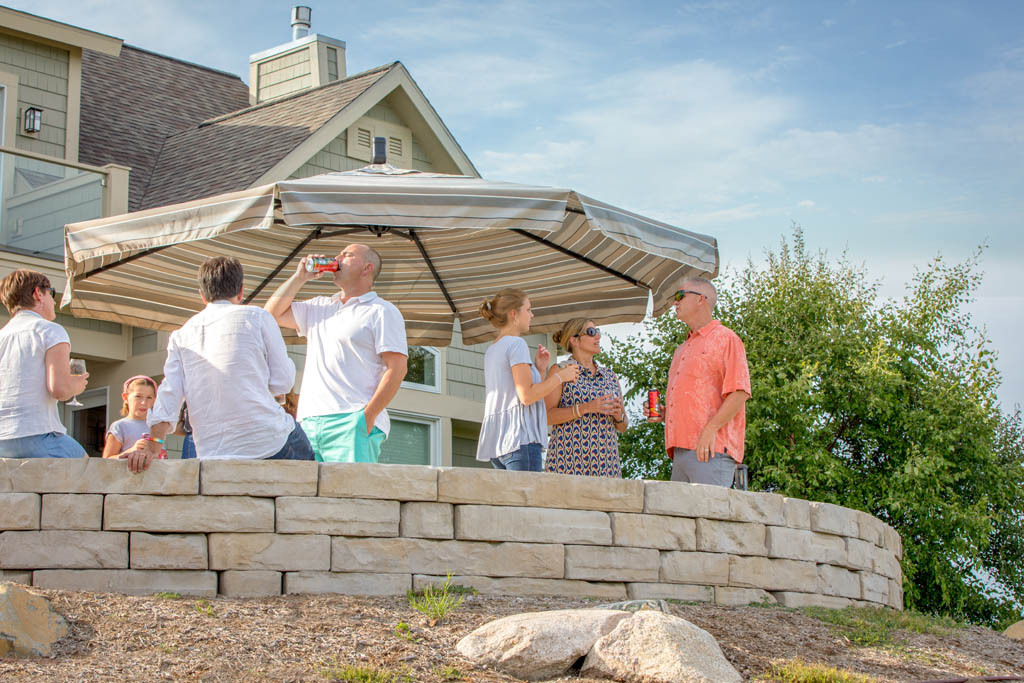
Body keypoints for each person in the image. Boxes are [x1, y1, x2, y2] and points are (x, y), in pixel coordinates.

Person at [121, 256, 313, 473]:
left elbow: (170, 395)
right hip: (268, 442)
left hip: (211, 451)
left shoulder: (181, 335)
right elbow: (283, 383)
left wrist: (153, 445)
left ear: (202, 296)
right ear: (241, 291)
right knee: (315, 475)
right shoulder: (257, 317)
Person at [265, 244, 408, 463]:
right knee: (308, 496)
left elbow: (397, 368)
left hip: (352, 420)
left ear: (366, 269)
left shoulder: (382, 311)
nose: (338, 257)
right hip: (309, 422)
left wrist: (366, 418)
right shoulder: (320, 306)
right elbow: (270, 315)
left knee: (351, 495)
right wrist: (299, 277)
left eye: (347, 255)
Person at [644, 277, 751, 487]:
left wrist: (710, 430)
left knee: (709, 517)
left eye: (680, 296)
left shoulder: (726, 339)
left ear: (701, 299)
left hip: (711, 450)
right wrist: (664, 414)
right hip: (680, 453)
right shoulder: (681, 349)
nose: (675, 302)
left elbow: (739, 392)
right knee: (679, 519)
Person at [474, 289, 579, 471]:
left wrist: (538, 370)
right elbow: (527, 396)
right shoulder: (517, 344)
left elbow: (514, 391)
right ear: (513, 314)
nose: (532, 315)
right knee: (529, 500)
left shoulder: (493, 349)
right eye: (528, 309)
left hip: (499, 443)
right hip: (520, 442)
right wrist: (561, 376)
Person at [0, 269, 88, 459]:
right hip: (37, 435)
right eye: (52, 293)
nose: (54, 301)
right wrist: (77, 385)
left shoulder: (1, 336)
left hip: (2, 440)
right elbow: (60, 390)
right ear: (38, 293)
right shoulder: (50, 331)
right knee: (90, 470)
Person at [543, 318, 626, 477]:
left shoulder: (610, 376)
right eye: (591, 332)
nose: (598, 337)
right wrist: (587, 407)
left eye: (598, 332)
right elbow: (546, 416)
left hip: (606, 466)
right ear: (574, 340)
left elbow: (623, 426)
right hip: (568, 464)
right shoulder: (560, 370)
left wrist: (619, 417)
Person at [101, 375, 165, 459]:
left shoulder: (158, 426)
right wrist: (130, 451)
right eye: (138, 396)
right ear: (126, 397)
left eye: (149, 397)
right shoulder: (120, 426)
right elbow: (106, 460)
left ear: (154, 400)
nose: (144, 402)